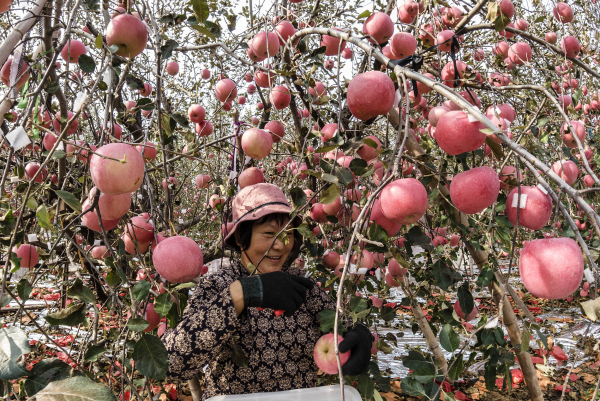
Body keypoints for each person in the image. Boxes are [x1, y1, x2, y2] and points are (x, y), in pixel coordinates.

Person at [161, 183, 373, 399]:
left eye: (288, 234)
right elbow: (172, 364)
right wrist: (242, 293)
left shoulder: (300, 286)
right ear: (240, 237)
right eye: (269, 233)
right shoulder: (217, 286)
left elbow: (342, 328)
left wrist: (358, 337)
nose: (281, 245)